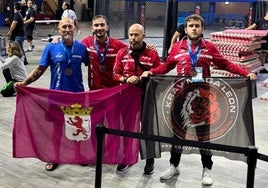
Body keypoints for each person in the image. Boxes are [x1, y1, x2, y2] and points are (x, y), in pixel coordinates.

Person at [141, 14, 257, 186]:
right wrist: (152, 72)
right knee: (178, 134)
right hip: (180, 98)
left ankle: (207, 169)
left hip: (203, 101)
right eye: (191, 26)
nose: (194, 28)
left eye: (197, 25)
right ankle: (174, 166)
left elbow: (225, 64)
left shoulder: (209, 47)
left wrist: (245, 73)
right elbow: (167, 66)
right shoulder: (177, 48)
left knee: (204, 136)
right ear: (185, 29)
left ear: (202, 29)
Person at [14, 18, 89, 171]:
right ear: (59, 29)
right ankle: (54, 156)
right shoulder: (51, 47)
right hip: (56, 97)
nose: (67, 30)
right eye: (64, 27)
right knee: (56, 130)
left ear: (75, 28)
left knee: (78, 128)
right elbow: (39, 70)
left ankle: (79, 155)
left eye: (70, 26)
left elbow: (94, 64)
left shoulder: (82, 48)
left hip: (77, 97)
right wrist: (25, 83)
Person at [113, 23, 161, 174]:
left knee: (148, 129)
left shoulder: (153, 54)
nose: (133, 38)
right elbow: (115, 74)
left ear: (143, 36)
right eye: (131, 34)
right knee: (127, 128)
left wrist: (149, 74)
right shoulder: (122, 53)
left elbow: (159, 72)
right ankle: (126, 157)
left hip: (146, 99)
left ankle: (149, 160)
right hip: (127, 99)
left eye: (136, 34)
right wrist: (125, 79)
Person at [81, 15, 127, 90]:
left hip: (112, 91)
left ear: (107, 27)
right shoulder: (87, 42)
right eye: (96, 25)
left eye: (102, 25)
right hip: (94, 90)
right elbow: (73, 45)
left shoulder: (117, 45)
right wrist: (57, 39)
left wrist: (147, 47)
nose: (99, 28)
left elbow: (133, 50)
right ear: (92, 29)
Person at [246, 8, 268, 73]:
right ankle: (255, 68)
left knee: (263, 54)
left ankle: (262, 67)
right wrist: (244, 30)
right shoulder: (260, 20)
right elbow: (252, 27)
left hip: (266, 41)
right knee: (257, 55)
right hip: (258, 41)